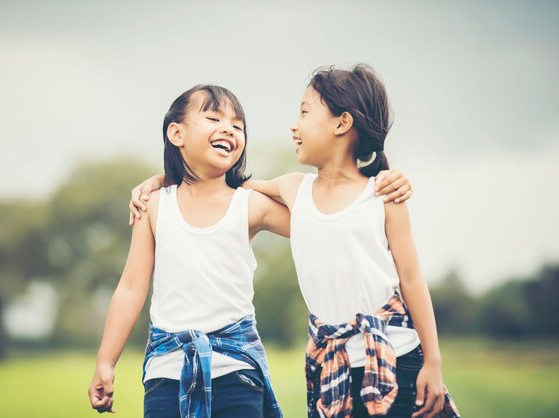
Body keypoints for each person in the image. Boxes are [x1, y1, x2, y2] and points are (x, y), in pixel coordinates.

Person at [131, 65, 459, 418]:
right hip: (330, 364)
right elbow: (218, 182)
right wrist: (163, 178)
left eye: (304, 112)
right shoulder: (294, 189)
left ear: (341, 123)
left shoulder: (382, 195)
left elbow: (412, 280)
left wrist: (433, 361)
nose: (294, 124)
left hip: (395, 355)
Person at [88, 84, 290, 418]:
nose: (228, 128)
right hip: (166, 373)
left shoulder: (249, 205)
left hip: (237, 372)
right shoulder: (153, 205)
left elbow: (315, 221)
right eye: (213, 117)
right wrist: (106, 362)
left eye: (238, 126)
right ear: (176, 133)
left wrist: (257, 185)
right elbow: (131, 287)